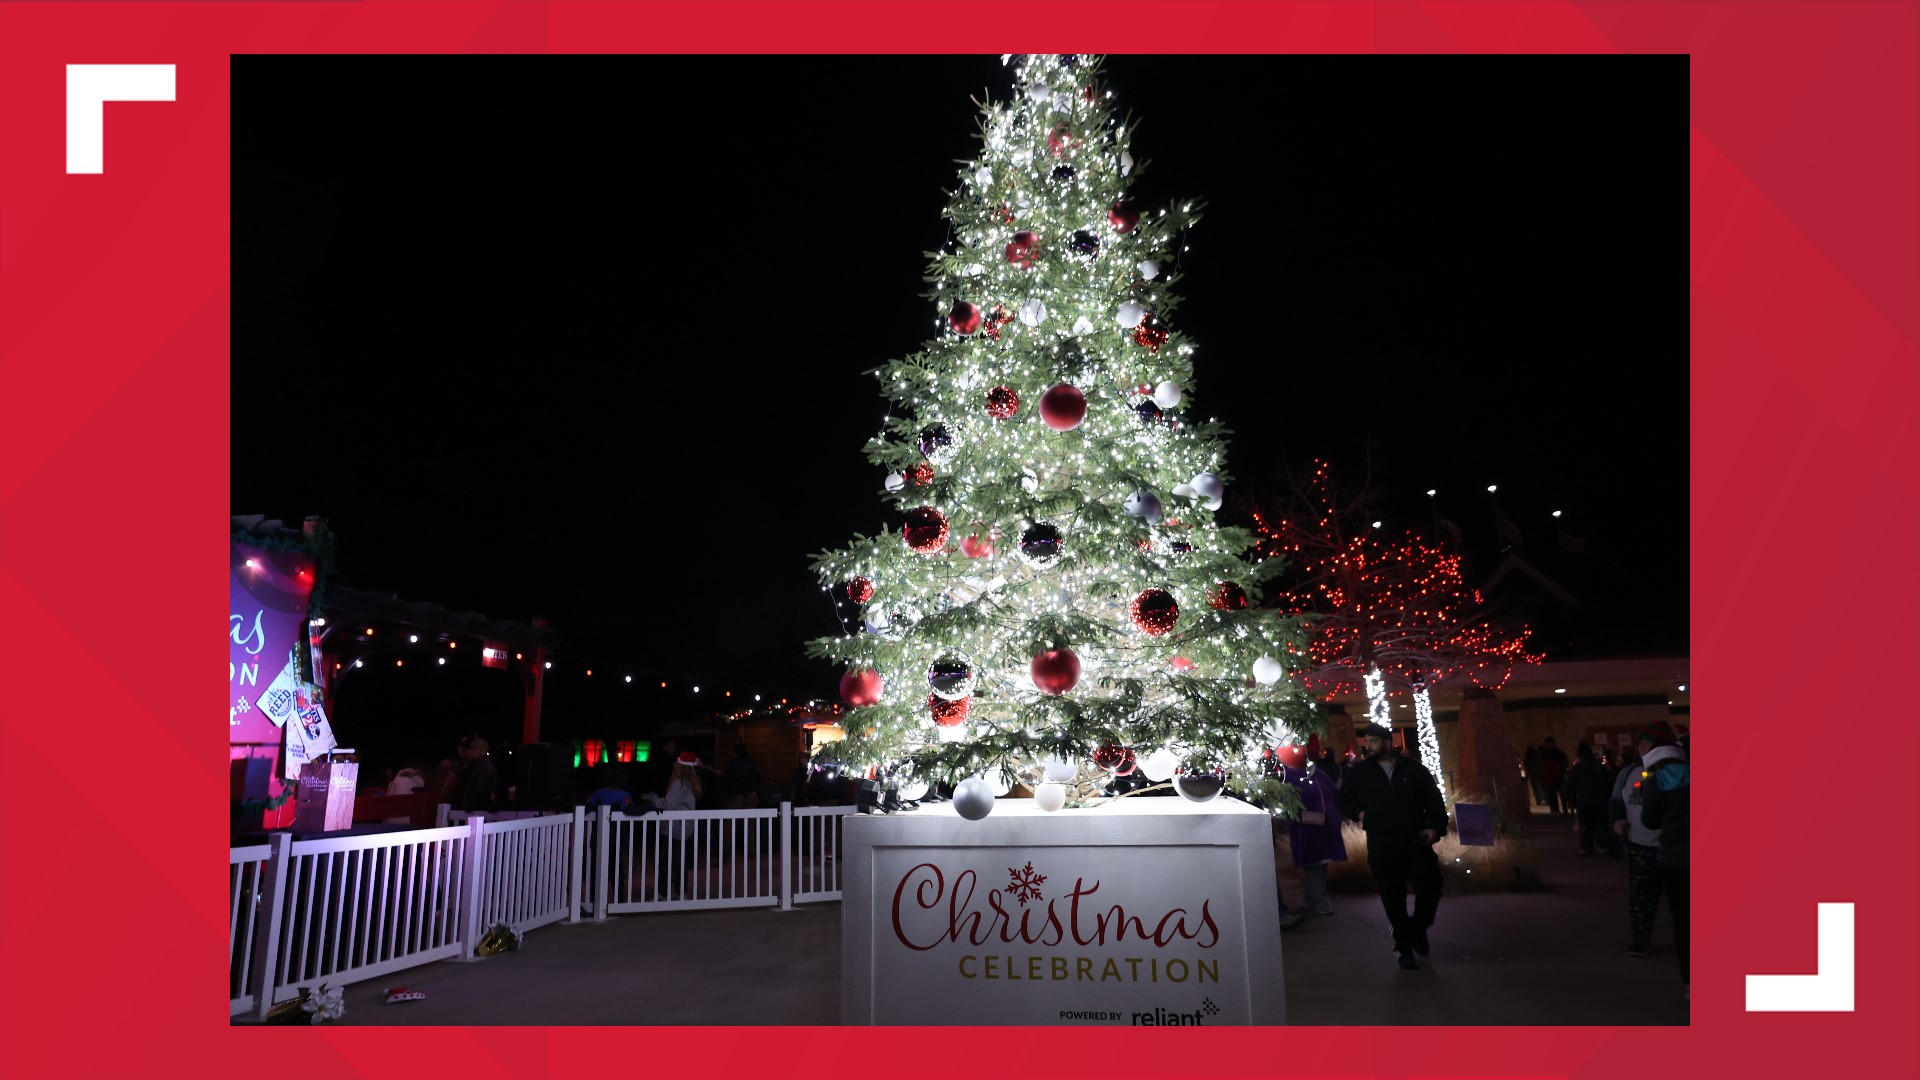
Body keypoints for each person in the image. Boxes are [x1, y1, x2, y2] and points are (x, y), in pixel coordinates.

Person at [1336, 722, 1449, 970]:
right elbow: (1343, 799)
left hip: (1415, 840)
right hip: (1382, 842)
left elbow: (1434, 801)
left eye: (1373, 741)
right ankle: (1404, 946)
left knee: (1430, 888)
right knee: (1392, 895)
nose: (1368, 746)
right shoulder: (1361, 772)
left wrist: (1435, 828)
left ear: (1388, 743)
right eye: (1366, 741)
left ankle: (1417, 929)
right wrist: (1359, 813)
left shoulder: (1414, 769)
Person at [1611, 722, 1683, 959]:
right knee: (1641, 898)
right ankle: (1640, 941)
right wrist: (1617, 820)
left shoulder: (1673, 773)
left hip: (1671, 846)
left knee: (1682, 902)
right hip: (1639, 845)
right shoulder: (1628, 773)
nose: (1640, 748)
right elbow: (1616, 802)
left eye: (1645, 743)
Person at [1636, 723, 1691, 999]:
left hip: (1673, 859)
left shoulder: (1655, 783)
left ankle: (1690, 982)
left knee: (1683, 920)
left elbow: (1649, 820)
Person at [1281, 759, 1346, 917]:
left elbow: (1333, 793)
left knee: (1319, 866)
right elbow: (1286, 803)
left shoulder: (1318, 774)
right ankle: (1320, 901)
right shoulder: (1290, 776)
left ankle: (1314, 898)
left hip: (1324, 827)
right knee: (1314, 866)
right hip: (1307, 828)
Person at [660, 752, 703, 900]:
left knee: (667, 860)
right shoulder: (691, 783)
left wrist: (654, 802)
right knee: (679, 859)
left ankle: (664, 892)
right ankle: (681, 890)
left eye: (676, 763)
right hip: (686, 826)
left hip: (675, 826)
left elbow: (668, 804)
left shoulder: (679, 783)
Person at [1568, 741, 1618, 857]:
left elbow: (1571, 785)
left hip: (1585, 800)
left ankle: (1586, 848)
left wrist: (1572, 801)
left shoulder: (1578, 768)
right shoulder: (1599, 766)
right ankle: (1605, 846)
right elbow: (1608, 783)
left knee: (1586, 825)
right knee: (1602, 825)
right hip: (1601, 800)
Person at [454, 734, 500, 814]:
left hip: (477, 813)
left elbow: (481, 791)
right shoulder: (477, 766)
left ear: (482, 750)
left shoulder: (485, 768)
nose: (469, 751)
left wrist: (468, 807)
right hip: (473, 812)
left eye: (472, 748)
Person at [722, 743, 763, 810]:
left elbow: (726, 780)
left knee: (732, 818)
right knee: (750, 818)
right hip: (752, 796)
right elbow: (760, 780)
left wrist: (724, 794)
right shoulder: (753, 763)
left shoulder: (733, 763)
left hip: (737, 796)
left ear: (736, 753)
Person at [1535, 736, 1569, 814]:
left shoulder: (1558, 753)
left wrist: (1560, 768)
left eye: (1550, 743)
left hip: (1558, 775)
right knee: (1552, 794)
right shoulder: (1544, 753)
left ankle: (1564, 809)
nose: (1549, 745)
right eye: (1548, 744)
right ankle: (1554, 810)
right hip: (1549, 776)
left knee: (1562, 793)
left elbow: (1564, 762)